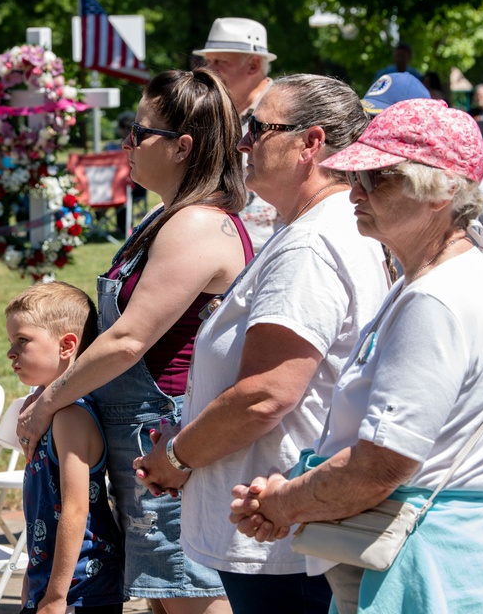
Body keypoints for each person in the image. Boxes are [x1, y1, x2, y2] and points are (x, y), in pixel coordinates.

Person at [230, 99, 483, 613]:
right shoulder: (438, 278)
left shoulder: (436, 298)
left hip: (426, 571)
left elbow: (378, 468)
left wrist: (284, 500)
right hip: (434, 558)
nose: (354, 192)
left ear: (437, 193)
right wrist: (293, 497)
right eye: (357, 177)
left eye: (377, 179)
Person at [133, 74, 389, 614]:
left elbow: (266, 395)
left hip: (280, 533)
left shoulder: (313, 245)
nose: (243, 142)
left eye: (258, 127)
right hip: (279, 521)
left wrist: (178, 456)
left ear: (310, 143)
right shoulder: (316, 229)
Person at [17, 68, 253, 614]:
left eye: (139, 132)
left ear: (182, 147)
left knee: (191, 593)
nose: (127, 143)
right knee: (164, 597)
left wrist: (49, 401)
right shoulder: (165, 216)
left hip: (168, 437)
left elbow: (128, 340)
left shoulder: (196, 224)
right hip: (143, 442)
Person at [5, 282, 125, 614]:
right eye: (10, 341)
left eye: (22, 340)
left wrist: (57, 595)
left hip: (83, 584)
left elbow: (75, 509)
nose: (10, 352)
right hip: (54, 577)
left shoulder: (71, 417)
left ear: (66, 345)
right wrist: (33, 575)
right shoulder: (45, 413)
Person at [362, 73, 483, 289]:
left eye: (382, 118)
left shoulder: (475, 190)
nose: (371, 129)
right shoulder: (372, 180)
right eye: (367, 119)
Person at [192, 17, 283, 251]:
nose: (207, 71)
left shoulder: (284, 112)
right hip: (219, 248)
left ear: (253, 66)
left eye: (220, 62)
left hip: (267, 249)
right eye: (207, 61)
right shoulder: (216, 111)